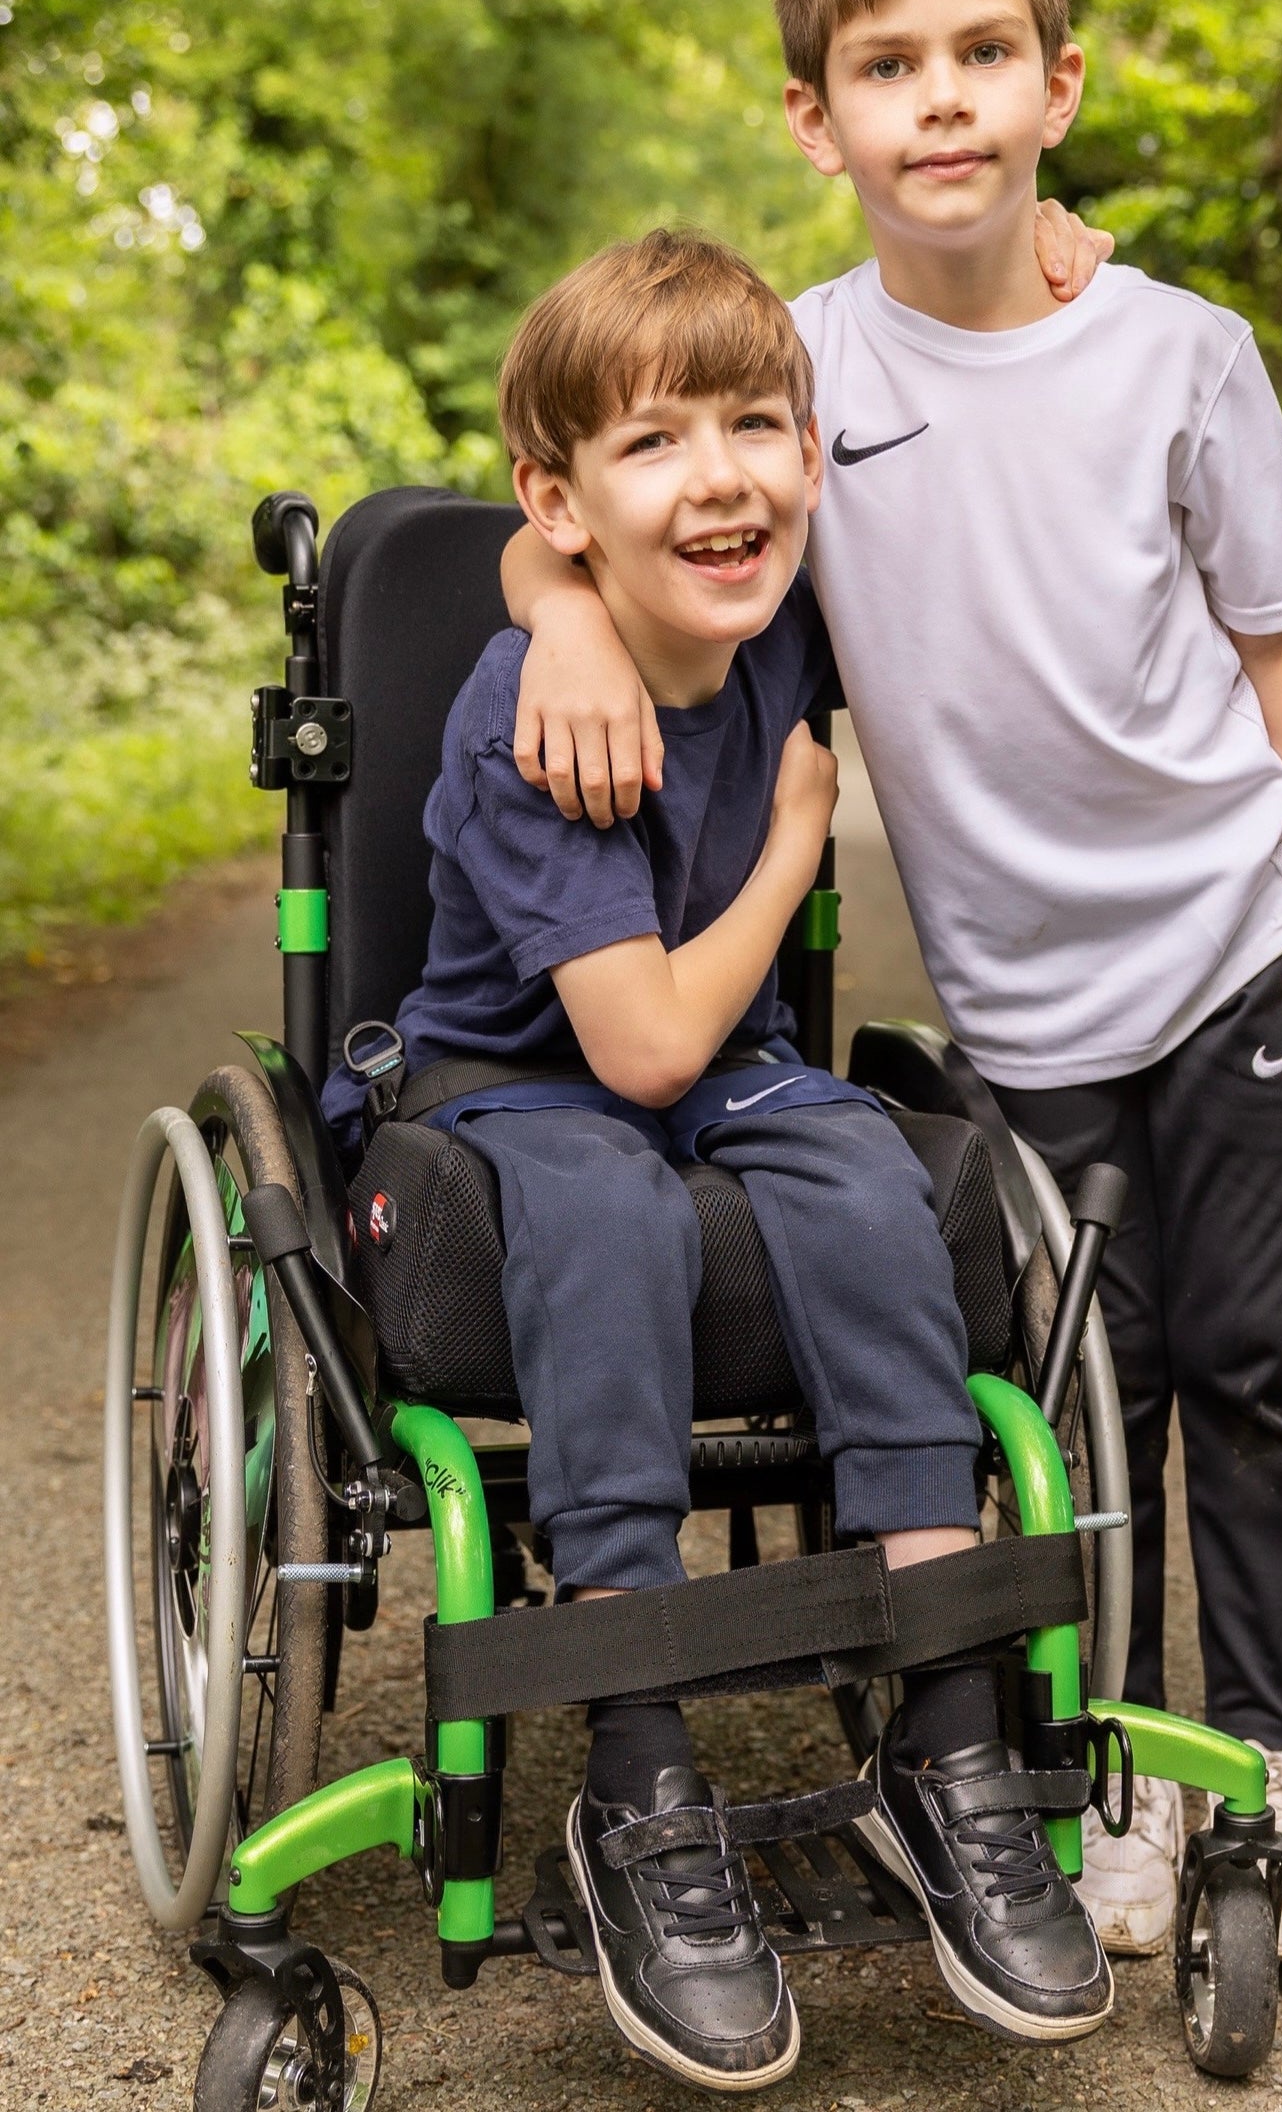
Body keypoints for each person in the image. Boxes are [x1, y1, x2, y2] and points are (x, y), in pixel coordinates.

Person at [498, 0, 1282, 1972]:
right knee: (1094, 1385)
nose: (940, 103)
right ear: (813, 119)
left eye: (982, 54)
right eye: (884, 67)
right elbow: (594, 484)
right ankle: (1105, 1777)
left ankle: (1259, 1764)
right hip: (1012, 998)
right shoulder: (793, 379)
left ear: (1056, 84)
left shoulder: (1182, 354)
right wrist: (551, 620)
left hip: (1226, 938)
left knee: (1247, 1365)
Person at [324, 227, 1113, 2092]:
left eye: (760, 426)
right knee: (604, 1201)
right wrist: (792, 840)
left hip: (732, 1078)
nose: (724, 476)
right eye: (659, 445)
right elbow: (646, 1047)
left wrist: (1049, 250)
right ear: (564, 499)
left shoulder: (787, 613)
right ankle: (634, 1763)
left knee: (865, 1169)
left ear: (811, 457)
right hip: (515, 1087)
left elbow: (975, 473)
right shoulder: (535, 728)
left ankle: (944, 1725)